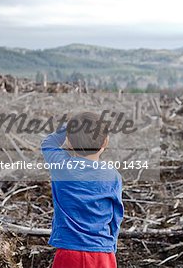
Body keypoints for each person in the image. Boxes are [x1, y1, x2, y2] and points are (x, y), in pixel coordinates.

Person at [41, 112, 124, 268]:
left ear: (70, 143)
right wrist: (111, 245)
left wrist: (70, 128)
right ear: (105, 142)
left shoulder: (62, 167)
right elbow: (116, 216)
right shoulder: (113, 176)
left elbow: (48, 143)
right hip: (102, 253)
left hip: (68, 253)